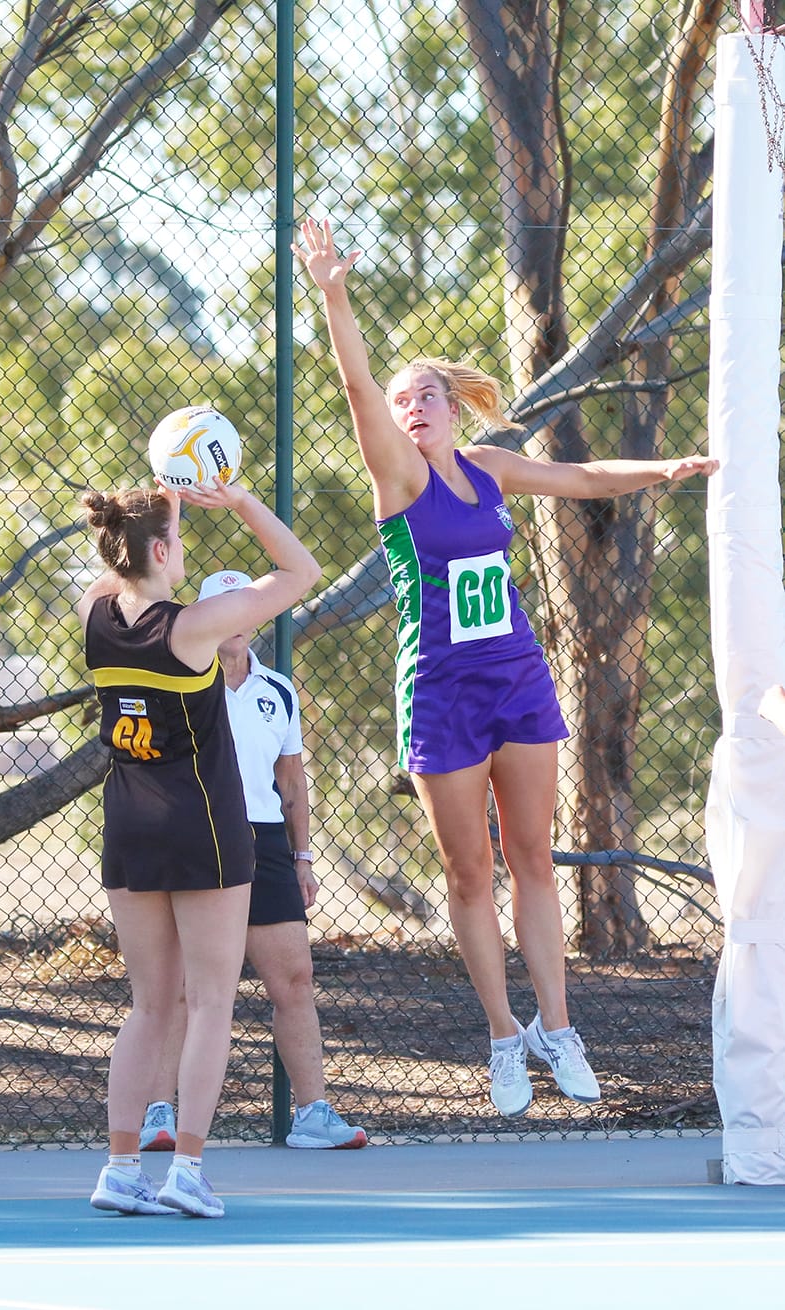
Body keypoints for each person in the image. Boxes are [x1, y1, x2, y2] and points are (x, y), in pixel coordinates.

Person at [293, 216, 719, 1118]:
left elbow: (587, 478)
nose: (410, 409)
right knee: (467, 875)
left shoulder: (487, 469)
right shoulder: (397, 483)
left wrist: (668, 469)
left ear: (452, 407)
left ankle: (557, 1027)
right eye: (402, 402)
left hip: (518, 678)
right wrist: (333, 292)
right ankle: (501, 1038)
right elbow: (353, 382)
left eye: (426, 398)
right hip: (442, 692)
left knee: (532, 855)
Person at [79, 475, 320, 1217]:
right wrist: (240, 502)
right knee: (213, 1002)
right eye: (176, 540)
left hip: (129, 825)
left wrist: (160, 514)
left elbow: (115, 572)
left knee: (149, 1006)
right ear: (159, 548)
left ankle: (120, 1170)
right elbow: (300, 573)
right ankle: (187, 1170)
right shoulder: (192, 628)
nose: (182, 549)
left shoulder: (95, 614)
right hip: (204, 828)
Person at [139, 568, 368, 1152]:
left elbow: (291, 780)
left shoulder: (278, 691)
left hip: (264, 842)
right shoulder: (180, 682)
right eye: (223, 607)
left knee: (294, 977)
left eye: (244, 607)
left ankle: (312, 1115)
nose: (234, 619)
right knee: (186, 987)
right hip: (198, 837)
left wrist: (302, 857)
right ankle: (160, 1116)